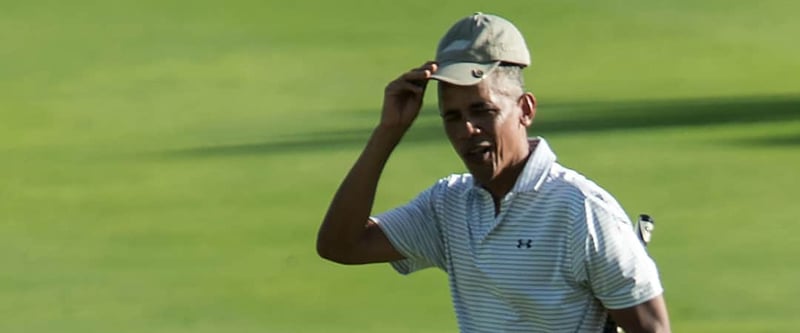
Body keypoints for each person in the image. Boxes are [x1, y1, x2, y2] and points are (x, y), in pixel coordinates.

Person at [316, 12, 671, 333]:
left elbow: (651, 328)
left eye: (482, 110)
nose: (466, 129)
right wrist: (387, 133)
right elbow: (340, 246)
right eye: (451, 117)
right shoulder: (447, 206)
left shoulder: (582, 212)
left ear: (525, 109)